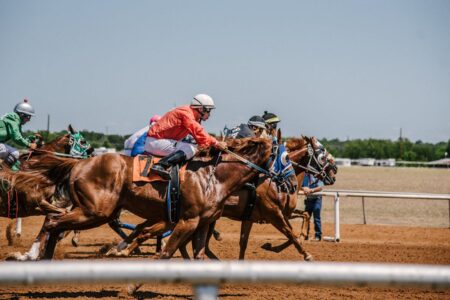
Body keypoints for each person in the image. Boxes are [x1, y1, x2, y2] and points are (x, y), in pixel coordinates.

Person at [146, 93, 228, 179]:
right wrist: (216, 143)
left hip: (159, 141)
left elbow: (199, 138)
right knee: (190, 149)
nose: (209, 114)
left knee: (194, 148)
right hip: (156, 141)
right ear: (201, 109)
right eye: (208, 111)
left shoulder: (190, 115)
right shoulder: (186, 113)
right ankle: (160, 165)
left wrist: (213, 144)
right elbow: (198, 130)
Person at [0, 99, 37, 171]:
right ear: (22, 115)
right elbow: (16, 138)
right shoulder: (13, 118)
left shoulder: (16, 121)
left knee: (15, 161)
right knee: (15, 153)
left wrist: (29, 140)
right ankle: (3, 173)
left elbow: (20, 137)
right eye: (28, 117)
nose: (29, 120)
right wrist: (29, 145)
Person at [301, 173, 324, 241]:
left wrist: (311, 190)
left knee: (316, 217)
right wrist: (304, 188)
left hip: (317, 199)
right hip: (309, 199)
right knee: (306, 217)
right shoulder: (306, 175)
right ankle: (305, 235)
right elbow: (302, 186)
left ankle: (318, 236)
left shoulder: (319, 175)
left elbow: (320, 187)